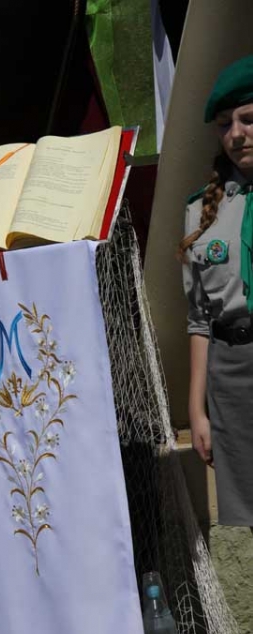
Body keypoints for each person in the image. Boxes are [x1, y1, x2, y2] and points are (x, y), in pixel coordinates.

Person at [180, 55, 253, 527]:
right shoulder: (201, 212)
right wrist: (197, 410)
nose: (237, 135)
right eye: (225, 124)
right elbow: (199, 319)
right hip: (232, 376)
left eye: (248, 119)